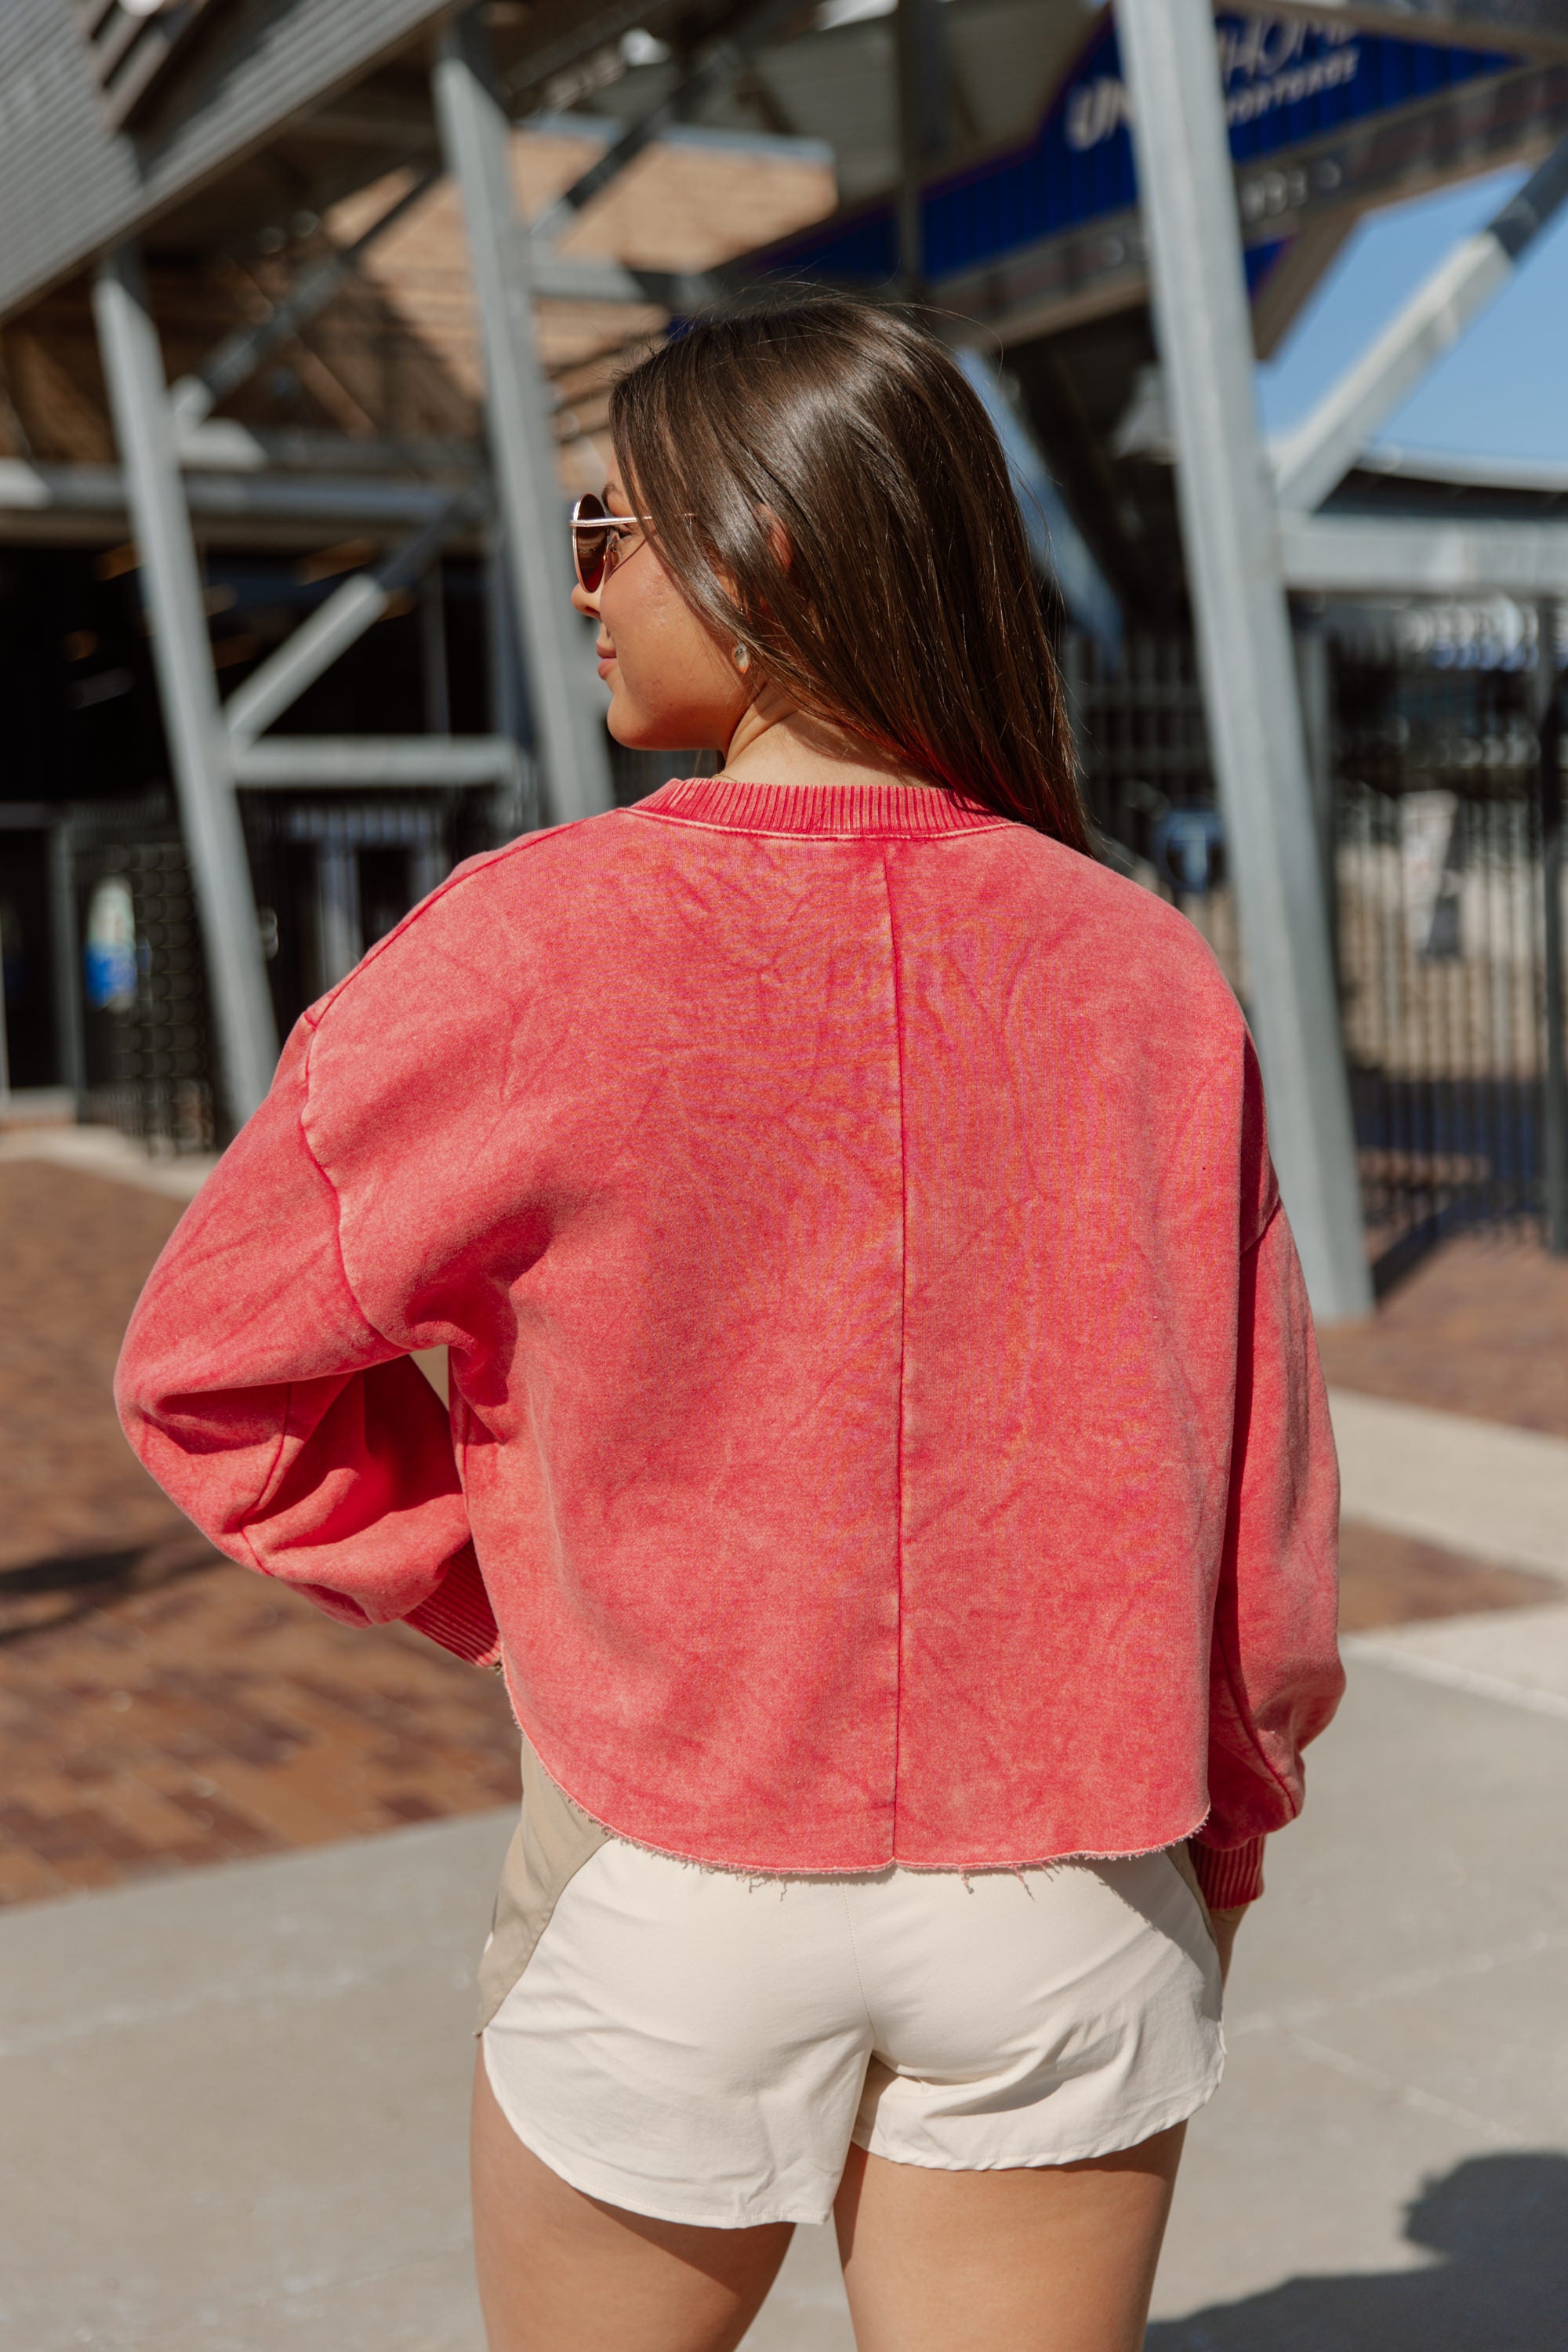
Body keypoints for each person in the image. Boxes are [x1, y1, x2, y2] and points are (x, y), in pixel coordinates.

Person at [116, 296, 1341, 2352]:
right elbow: (1264, 1524)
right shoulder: (1140, 967)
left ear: (764, 551)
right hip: (1074, 1878)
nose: (579, 587)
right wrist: (1226, 1824)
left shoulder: (525, 946)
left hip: (669, 1850)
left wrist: (514, 1588)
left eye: (607, 533)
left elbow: (213, 1374)